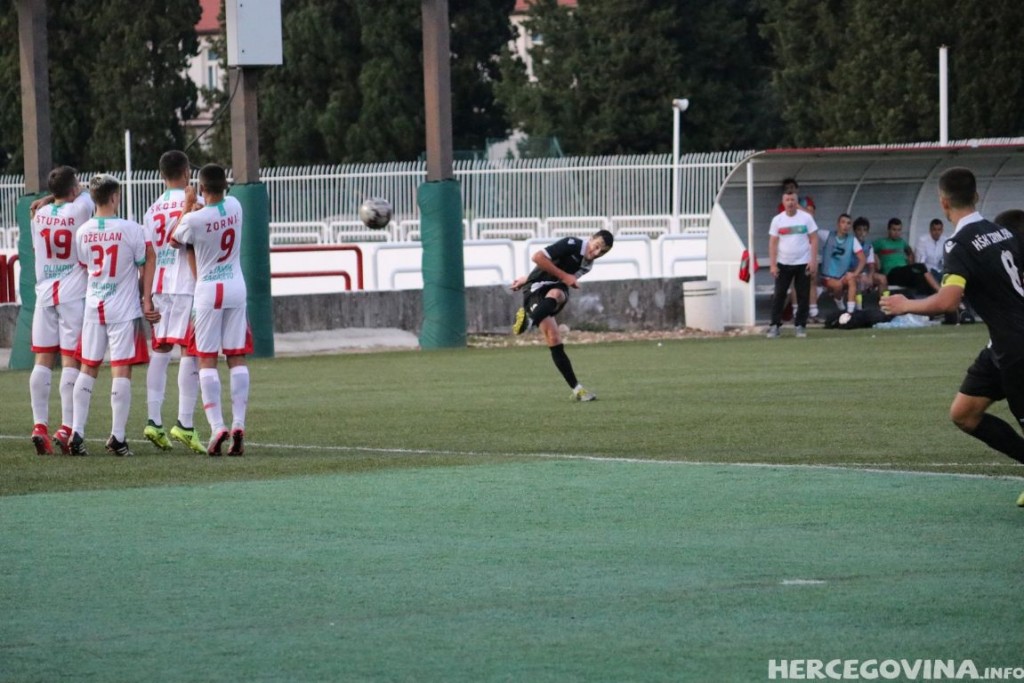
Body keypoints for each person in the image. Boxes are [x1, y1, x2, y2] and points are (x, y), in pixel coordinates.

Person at [881, 167, 1024, 507]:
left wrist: (904, 306)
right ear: (976, 196)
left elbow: (948, 302)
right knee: (964, 414)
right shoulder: (1002, 231)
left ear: (943, 203)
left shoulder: (958, 245)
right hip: (1001, 345)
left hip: (1017, 347)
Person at [70, 174, 158, 456]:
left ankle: (76, 433)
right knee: (122, 369)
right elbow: (146, 259)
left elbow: (85, 264)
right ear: (114, 197)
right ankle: (117, 437)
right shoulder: (131, 229)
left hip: (94, 306)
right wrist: (147, 300)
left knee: (88, 368)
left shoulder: (82, 232)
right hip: (124, 308)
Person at [170, 164, 251, 455]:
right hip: (235, 287)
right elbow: (216, 207)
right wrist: (199, 201)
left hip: (207, 290)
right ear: (225, 185)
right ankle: (239, 423)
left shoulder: (195, 219)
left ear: (202, 188)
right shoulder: (235, 205)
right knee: (236, 356)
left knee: (205, 359)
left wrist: (188, 204)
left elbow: (174, 238)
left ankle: (217, 426)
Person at [26, 166, 94, 454]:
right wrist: (61, 196)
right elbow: (91, 196)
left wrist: (46, 200)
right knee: (70, 361)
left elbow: (61, 196)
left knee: (42, 360)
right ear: (73, 188)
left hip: (44, 294)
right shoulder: (80, 209)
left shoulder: (37, 216)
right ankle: (66, 427)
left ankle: (39, 425)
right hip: (72, 295)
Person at [141, 151, 204, 454]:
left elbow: (150, 255)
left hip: (160, 286)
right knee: (190, 351)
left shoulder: (151, 209)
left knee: (161, 351)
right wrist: (191, 207)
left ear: (161, 173)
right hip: (186, 285)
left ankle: (154, 421)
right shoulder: (192, 203)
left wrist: (146, 296)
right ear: (187, 171)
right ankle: (185, 423)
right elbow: (182, 240)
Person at [510, 230, 614, 401]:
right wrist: (531, 278)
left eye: (602, 252)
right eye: (596, 247)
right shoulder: (570, 244)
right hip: (536, 288)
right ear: (591, 239)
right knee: (553, 337)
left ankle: (529, 321)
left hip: (555, 289)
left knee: (558, 295)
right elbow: (538, 257)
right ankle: (530, 318)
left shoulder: (587, 265)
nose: (596, 253)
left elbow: (564, 278)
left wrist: (563, 278)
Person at [766, 190, 819, 338]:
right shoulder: (777, 220)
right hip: (783, 263)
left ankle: (800, 325)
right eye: (787, 200)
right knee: (779, 294)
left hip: (803, 263)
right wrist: (772, 264)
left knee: (803, 295)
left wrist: (813, 260)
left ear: (797, 202)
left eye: (793, 200)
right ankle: (775, 325)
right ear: (783, 202)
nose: (790, 203)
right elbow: (772, 242)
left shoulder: (806, 218)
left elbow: (814, 239)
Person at [819, 213, 865, 314]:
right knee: (838, 285)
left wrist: (855, 273)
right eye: (843, 222)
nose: (845, 225)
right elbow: (811, 231)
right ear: (838, 224)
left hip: (842, 275)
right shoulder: (827, 235)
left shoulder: (852, 240)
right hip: (827, 277)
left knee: (852, 279)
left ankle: (850, 312)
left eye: (848, 223)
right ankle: (840, 303)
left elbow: (862, 259)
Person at [873, 218, 934, 293]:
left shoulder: (901, 242)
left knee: (919, 276)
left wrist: (910, 260)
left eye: (899, 230)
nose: (896, 232)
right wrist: (875, 258)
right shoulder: (881, 242)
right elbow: (868, 250)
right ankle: (936, 292)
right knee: (920, 268)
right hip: (891, 273)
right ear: (888, 230)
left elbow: (909, 251)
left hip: (904, 272)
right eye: (894, 229)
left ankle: (930, 298)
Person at [851, 217, 887, 294]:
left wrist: (870, 276)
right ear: (854, 231)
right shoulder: (849, 244)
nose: (862, 232)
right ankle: (857, 305)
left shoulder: (868, 246)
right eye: (859, 229)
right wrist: (858, 274)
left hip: (865, 273)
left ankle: (884, 303)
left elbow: (871, 265)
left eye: (864, 230)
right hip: (852, 273)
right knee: (859, 280)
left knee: (882, 278)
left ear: (867, 232)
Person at [914, 218, 947, 289]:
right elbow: (920, 263)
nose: (937, 232)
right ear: (930, 230)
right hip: (926, 272)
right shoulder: (923, 241)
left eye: (939, 230)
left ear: (942, 230)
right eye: (934, 229)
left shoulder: (945, 240)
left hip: (939, 271)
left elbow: (945, 260)